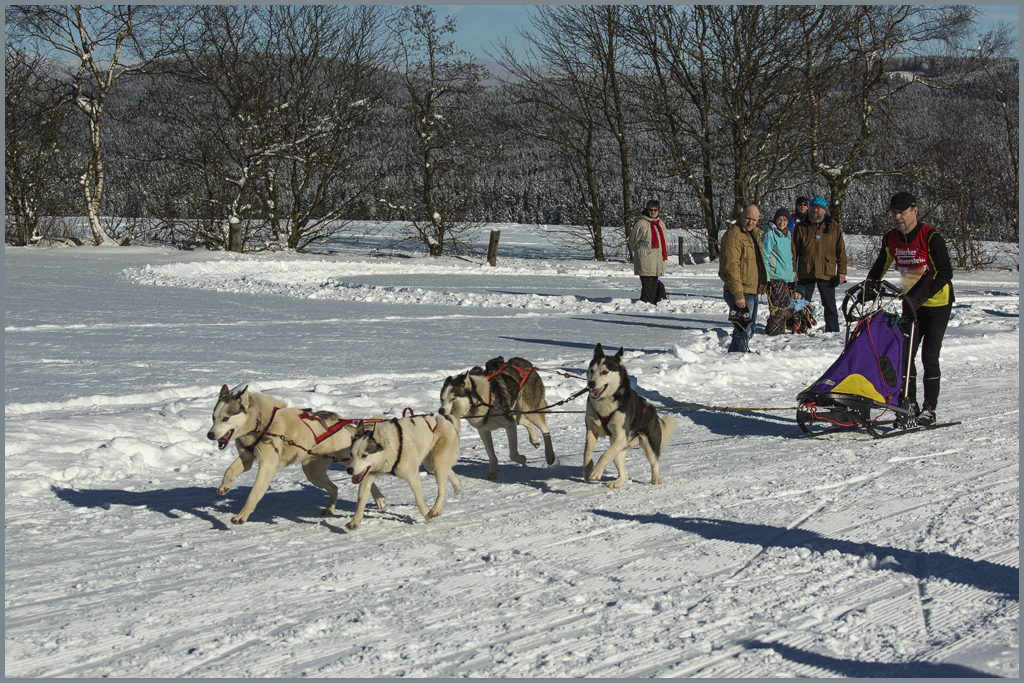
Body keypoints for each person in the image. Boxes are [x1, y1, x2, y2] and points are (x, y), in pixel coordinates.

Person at [864, 192, 954, 427]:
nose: (897, 217)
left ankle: (929, 409)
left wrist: (921, 296)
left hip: (937, 305)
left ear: (915, 211)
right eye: (894, 213)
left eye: (902, 212)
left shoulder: (930, 236)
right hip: (912, 305)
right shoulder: (891, 238)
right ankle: (909, 404)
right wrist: (869, 287)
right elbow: (879, 266)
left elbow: (945, 272)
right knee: (904, 357)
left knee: (929, 356)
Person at [793, 195, 847, 332]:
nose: (815, 211)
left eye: (818, 208)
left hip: (826, 272)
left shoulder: (833, 227)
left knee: (830, 305)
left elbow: (841, 250)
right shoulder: (802, 227)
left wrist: (842, 271)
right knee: (801, 304)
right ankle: (801, 328)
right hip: (806, 271)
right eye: (813, 208)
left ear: (824, 210)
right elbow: (793, 251)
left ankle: (833, 331)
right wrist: (792, 270)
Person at [718, 204, 767, 352]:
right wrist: (738, 294)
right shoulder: (734, 236)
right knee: (743, 329)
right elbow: (732, 267)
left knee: (748, 328)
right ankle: (738, 357)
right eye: (748, 218)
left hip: (752, 289)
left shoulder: (755, 235)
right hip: (740, 291)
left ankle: (737, 353)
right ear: (741, 216)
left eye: (754, 220)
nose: (750, 222)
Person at [761, 207, 796, 336]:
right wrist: (767, 278)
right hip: (775, 277)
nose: (782, 222)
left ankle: (779, 329)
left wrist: (791, 279)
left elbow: (789, 258)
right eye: (780, 219)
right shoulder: (770, 234)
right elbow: (764, 256)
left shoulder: (787, 235)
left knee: (785, 305)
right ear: (775, 219)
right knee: (778, 307)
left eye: (785, 220)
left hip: (786, 277)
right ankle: (773, 330)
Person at [629, 199, 669, 305]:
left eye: (655, 210)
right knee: (647, 285)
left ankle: (652, 304)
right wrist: (641, 252)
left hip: (657, 260)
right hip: (645, 259)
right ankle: (646, 305)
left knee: (653, 285)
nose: (653, 212)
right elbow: (632, 241)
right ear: (647, 210)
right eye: (651, 210)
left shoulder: (660, 224)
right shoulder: (641, 223)